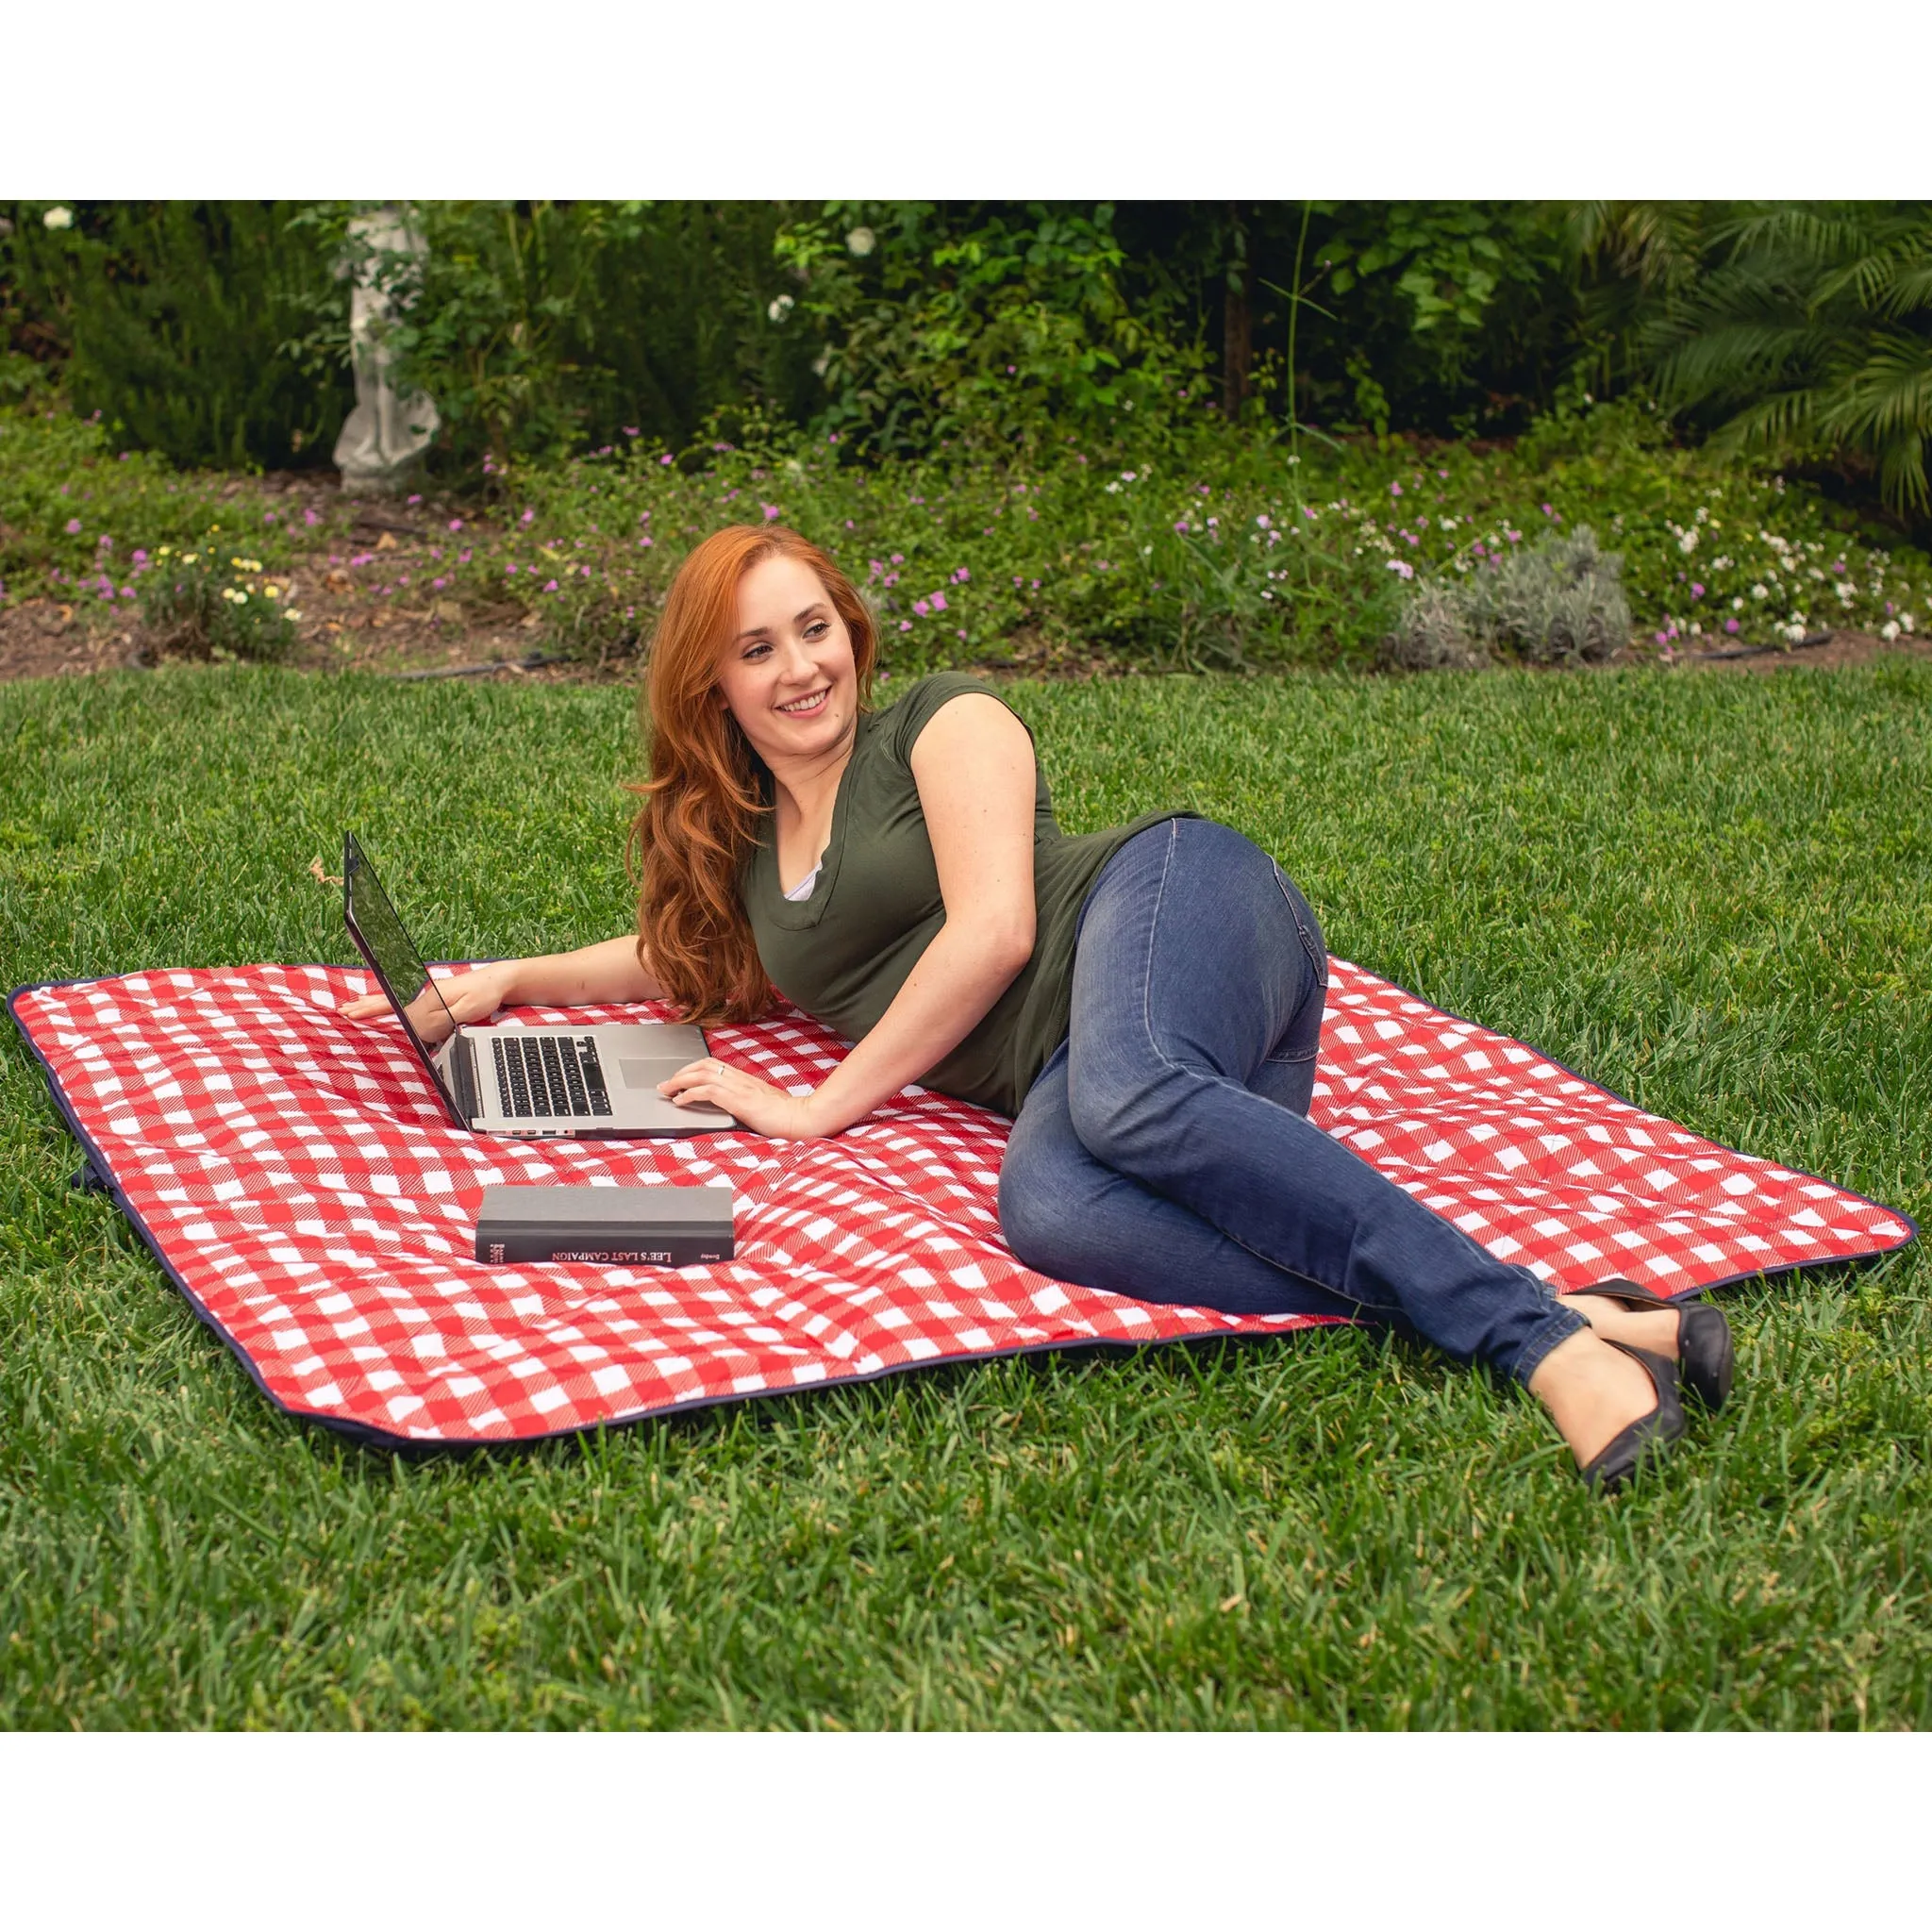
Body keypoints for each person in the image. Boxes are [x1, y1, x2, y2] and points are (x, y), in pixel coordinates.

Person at [343, 525, 1732, 1490]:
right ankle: (1574, 1308)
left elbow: (1000, 928)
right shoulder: (762, 843)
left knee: (1126, 1096)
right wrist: (511, 984)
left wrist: (822, 1107)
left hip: (1180, 904)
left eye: (814, 628)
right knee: (1054, 1210)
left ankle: (1541, 1351)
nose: (800, 667)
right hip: (1108, 1065)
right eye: (757, 649)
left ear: (853, 630)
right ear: (711, 683)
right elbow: (687, 964)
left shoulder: (946, 720)